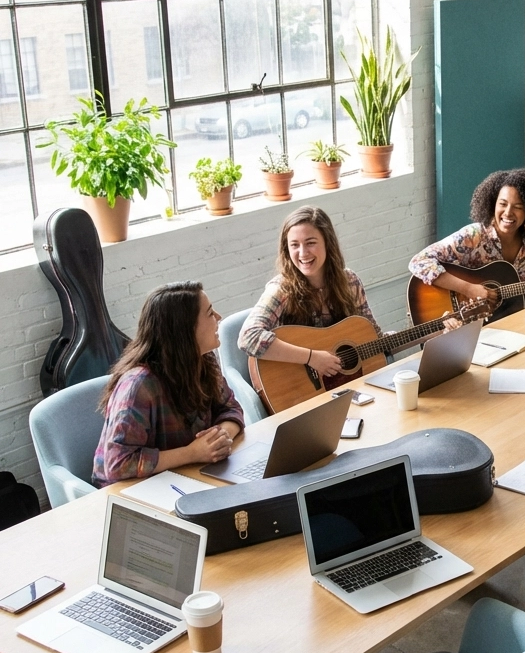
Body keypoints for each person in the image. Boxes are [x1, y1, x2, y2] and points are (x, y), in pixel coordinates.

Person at [93, 281, 244, 486]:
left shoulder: (203, 361)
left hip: (187, 476)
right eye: (209, 313)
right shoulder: (138, 386)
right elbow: (117, 463)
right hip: (138, 491)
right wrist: (192, 453)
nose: (218, 317)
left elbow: (230, 407)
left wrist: (220, 437)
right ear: (185, 329)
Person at [239, 206, 383, 382]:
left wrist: (417, 337)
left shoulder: (350, 281)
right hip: (297, 390)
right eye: (294, 245)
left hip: (346, 385)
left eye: (310, 243)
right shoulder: (281, 289)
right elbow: (248, 337)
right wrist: (312, 358)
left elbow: (374, 335)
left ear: (327, 243)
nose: (303, 253)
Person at [408, 169, 525, 307]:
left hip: (503, 323)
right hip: (462, 323)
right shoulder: (474, 236)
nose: (508, 213)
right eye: (502, 204)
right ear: (492, 204)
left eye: (518, 207)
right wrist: (469, 289)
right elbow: (418, 262)